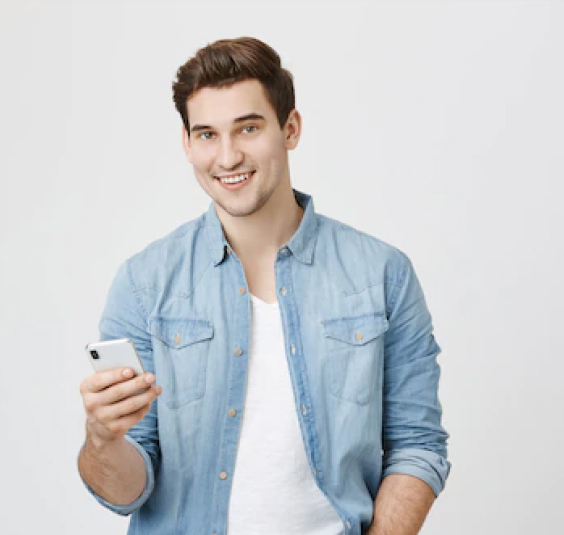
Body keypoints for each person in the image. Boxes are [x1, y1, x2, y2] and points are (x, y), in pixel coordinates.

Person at [77, 36, 451, 535]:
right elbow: (127, 492)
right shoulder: (144, 283)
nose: (227, 156)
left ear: (290, 128)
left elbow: (417, 445)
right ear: (187, 143)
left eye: (248, 128)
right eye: (207, 134)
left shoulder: (383, 274)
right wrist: (103, 440)